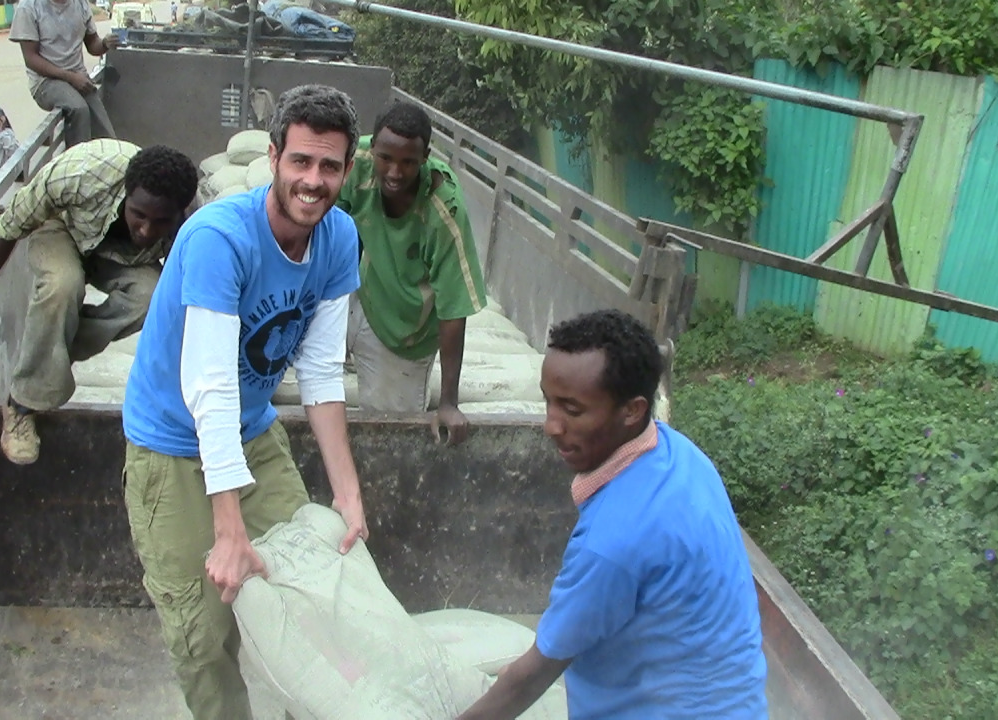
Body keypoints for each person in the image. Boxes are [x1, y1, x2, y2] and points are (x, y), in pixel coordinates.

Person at [121, 84, 367, 720]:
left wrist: (347, 495)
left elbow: (318, 372)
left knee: (314, 599)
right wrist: (228, 530)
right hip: (173, 447)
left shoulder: (339, 239)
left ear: (347, 169)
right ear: (275, 156)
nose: (313, 182)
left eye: (330, 167)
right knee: (204, 638)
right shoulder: (218, 239)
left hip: (253, 435)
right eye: (301, 162)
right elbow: (210, 389)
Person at [457, 309, 768, 720]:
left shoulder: (611, 545)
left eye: (572, 409)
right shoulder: (681, 456)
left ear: (632, 410)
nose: (551, 425)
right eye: (548, 401)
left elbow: (529, 678)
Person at [0, 139, 198, 465]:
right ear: (126, 194)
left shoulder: (191, 220)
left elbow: (180, 297)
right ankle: (22, 404)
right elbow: (7, 228)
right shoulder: (79, 173)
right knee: (63, 285)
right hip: (61, 227)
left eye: (161, 222)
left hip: (119, 255)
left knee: (150, 298)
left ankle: (44, 361)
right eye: (138, 214)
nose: (145, 229)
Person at [336, 101, 487, 445]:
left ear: (425, 157)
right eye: (385, 158)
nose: (394, 172)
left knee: (387, 434)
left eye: (408, 162)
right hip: (358, 292)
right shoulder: (352, 165)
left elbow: (453, 309)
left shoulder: (443, 211)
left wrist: (448, 402)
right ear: (372, 148)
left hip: (404, 331)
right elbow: (325, 222)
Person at [9, 0, 119, 148]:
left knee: (106, 133)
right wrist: (71, 77)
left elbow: (93, 44)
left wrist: (105, 44)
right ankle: (76, 165)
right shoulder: (29, 7)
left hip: (78, 78)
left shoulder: (81, 4)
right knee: (78, 109)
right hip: (46, 81)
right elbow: (31, 59)